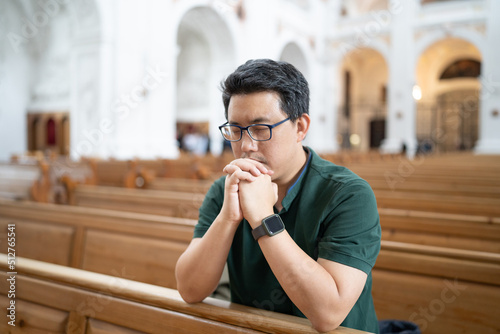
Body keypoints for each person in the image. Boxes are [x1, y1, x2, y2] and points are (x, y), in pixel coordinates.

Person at [175, 59, 381, 333]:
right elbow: (190, 290)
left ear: (300, 127)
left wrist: (263, 218)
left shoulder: (349, 194)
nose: (246, 146)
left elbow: (328, 314)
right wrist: (229, 217)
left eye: (261, 129)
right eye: (235, 130)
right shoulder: (224, 190)